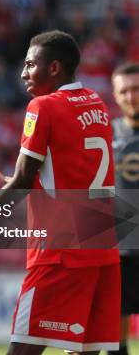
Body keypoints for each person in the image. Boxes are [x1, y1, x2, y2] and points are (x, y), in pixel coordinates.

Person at [0, 30, 120, 355]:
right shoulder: (96, 103)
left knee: (22, 350)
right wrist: (32, 180)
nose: (23, 73)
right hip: (103, 249)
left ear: (55, 67)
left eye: (31, 64)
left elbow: (20, 181)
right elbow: (75, 171)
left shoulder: (42, 107)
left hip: (60, 252)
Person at [109, 63, 139, 355]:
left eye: (136, 89)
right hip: (119, 249)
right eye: (124, 90)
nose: (131, 96)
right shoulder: (106, 135)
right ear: (116, 95)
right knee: (115, 340)